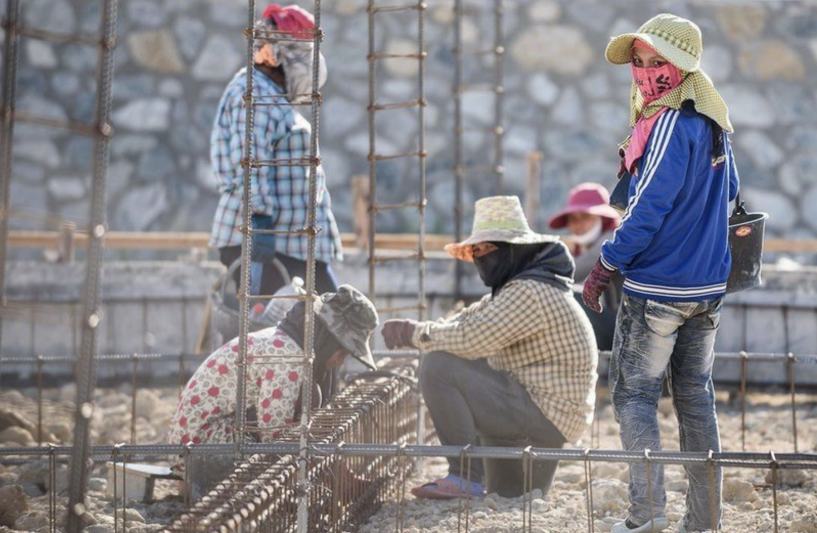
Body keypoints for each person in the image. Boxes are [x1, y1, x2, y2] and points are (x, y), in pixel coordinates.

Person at [581, 14, 738, 533]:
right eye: (640, 63)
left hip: (658, 289)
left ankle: (645, 517)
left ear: (684, 67)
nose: (648, 73)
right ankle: (703, 522)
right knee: (695, 397)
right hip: (708, 289)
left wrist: (605, 264)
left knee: (633, 394)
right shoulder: (712, 122)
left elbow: (647, 210)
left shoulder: (669, 123)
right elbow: (731, 193)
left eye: (659, 63)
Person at [381, 196, 598, 499]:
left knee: (439, 365)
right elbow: (466, 321)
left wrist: (412, 333)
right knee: (509, 496)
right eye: (474, 251)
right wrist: (424, 329)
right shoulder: (519, 288)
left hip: (543, 415)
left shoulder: (528, 291)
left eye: (484, 249)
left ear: (511, 249)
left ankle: (465, 475)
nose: (478, 257)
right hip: (541, 417)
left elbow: (470, 338)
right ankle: (479, 478)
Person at [168, 286, 378, 474]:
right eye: (342, 352)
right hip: (197, 445)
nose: (340, 361)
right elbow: (274, 436)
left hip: (202, 435)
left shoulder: (286, 342)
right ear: (328, 340)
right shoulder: (288, 358)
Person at [209, 3, 342, 296]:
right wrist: (259, 220)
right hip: (267, 243)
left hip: (292, 245)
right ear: (274, 54)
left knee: (331, 324)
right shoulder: (256, 93)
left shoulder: (272, 95)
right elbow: (250, 159)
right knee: (279, 333)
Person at [548, 182, 622, 353]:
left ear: (602, 219)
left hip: (625, 328)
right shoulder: (583, 247)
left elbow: (569, 272)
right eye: (573, 219)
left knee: (569, 297)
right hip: (615, 323)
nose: (578, 225)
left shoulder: (612, 240)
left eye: (585, 217)